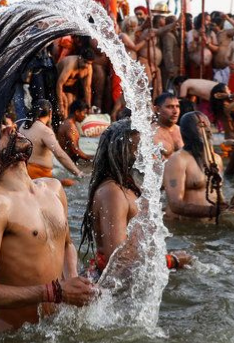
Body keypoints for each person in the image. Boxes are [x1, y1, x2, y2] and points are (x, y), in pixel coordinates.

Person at [0, 6, 98, 330]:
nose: (11, 127)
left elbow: (65, 247)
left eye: (6, 123)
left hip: (55, 328)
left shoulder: (53, 188)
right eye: (0, 131)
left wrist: (73, 285)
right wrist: (56, 291)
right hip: (14, 338)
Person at [78, 119, 191, 278]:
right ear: (120, 150)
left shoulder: (127, 185)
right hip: (110, 287)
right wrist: (171, 261)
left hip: (132, 279)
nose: (147, 152)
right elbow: (116, 262)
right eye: (140, 146)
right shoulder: (113, 193)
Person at [163, 112, 225, 221]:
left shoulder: (216, 159)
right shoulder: (177, 160)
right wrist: (211, 211)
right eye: (201, 125)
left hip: (207, 227)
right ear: (188, 132)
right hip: (184, 229)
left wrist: (229, 209)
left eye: (207, 125)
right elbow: (175, 205)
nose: (207, 130)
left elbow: (218, 195)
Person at [18, 99, 84, 180]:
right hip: (39, 175)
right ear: (50, 113)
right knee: (71, 183)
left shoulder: (23, 125)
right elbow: (60, 155)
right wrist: (78, 173)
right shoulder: (45, 131)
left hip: (23, 171)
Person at [56, 49, 93, 119]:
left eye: (89, 63)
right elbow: (59, 84)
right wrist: (60, 104)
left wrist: (89, 107)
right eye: (85, 62)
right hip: (55, 82)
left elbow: (87, 88)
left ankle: (69, 124)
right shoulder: (71, 64)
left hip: (68, 87)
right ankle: (64, 126)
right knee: (65, 104)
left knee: (71, 104)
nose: (86, 65)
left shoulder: (89, 68)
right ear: (80, 57)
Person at [152, 92, 183, 159]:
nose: (175, 111)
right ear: (157, 109)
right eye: (170, 107)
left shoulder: (183, 131)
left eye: (177, 106)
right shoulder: (150, 133)